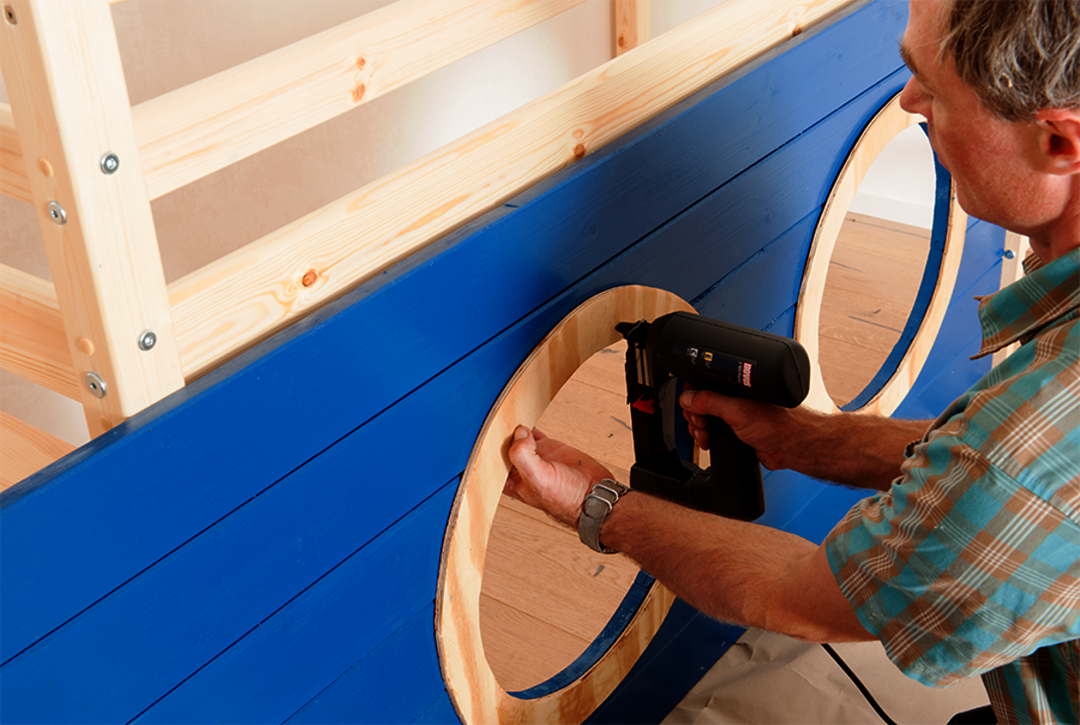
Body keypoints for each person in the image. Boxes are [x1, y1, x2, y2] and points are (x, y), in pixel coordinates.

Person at [504, 0, 1080, 723]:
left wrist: (599, 503)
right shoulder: (1029, 438)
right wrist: (807, 439)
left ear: (1059, 143)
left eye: (932, 85)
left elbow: (799, 595)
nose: (908, 101)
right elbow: (1008, 472)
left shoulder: (1027, 446)